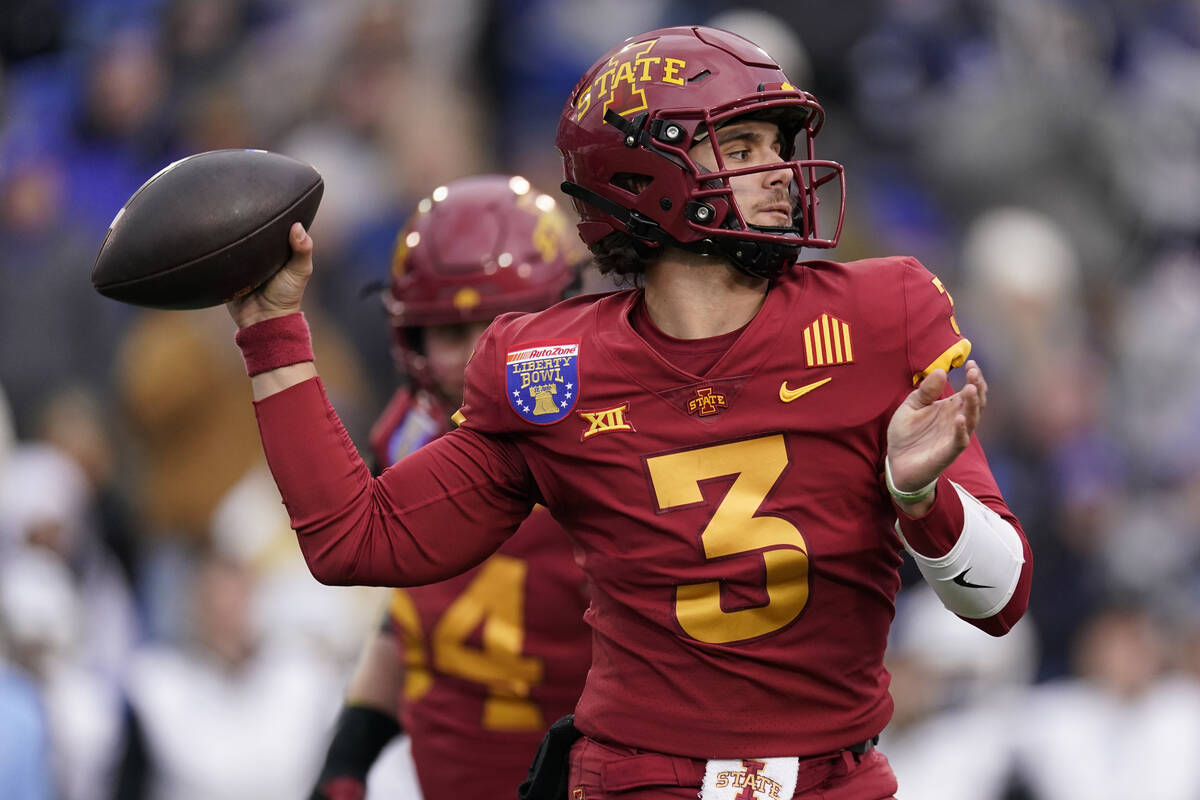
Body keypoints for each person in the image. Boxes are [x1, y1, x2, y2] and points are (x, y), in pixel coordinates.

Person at [226, 25, 1032, 800]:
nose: (782, 172)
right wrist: (272, 334)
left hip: (832, 779)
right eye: (744, 148)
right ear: (647, 176)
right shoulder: (547, 368)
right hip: (639, 780)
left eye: (780, 148)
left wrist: (923, 501)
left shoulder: (881, 313)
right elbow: (358, 540)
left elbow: (1001, 599)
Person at [307, 175, 593, 800]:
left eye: (501, 325)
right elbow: (411, 614)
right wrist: (348, 754)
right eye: (452, 333)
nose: (480, 358)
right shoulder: (410, 432)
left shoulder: (608, 448)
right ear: (413, 339)